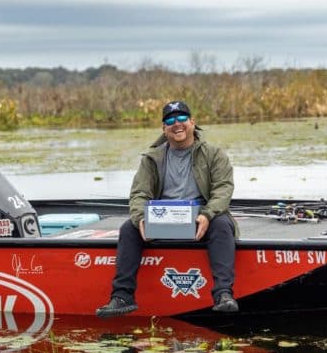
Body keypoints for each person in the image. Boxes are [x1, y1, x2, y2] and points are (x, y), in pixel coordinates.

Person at [96, 100, 238, 317]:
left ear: (192, 122)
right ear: (164, 128)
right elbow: (139, 194)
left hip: (201, 218)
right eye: (170, 121)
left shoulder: (214, 154)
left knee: (222, 225)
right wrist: (140, 218)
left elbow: (223, 190)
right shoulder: (152, 158)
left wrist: (208, 214)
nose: (176, 124)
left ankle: (223, 294)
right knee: (129, 228)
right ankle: (122, 297)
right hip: (164, 218)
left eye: (182, 118)